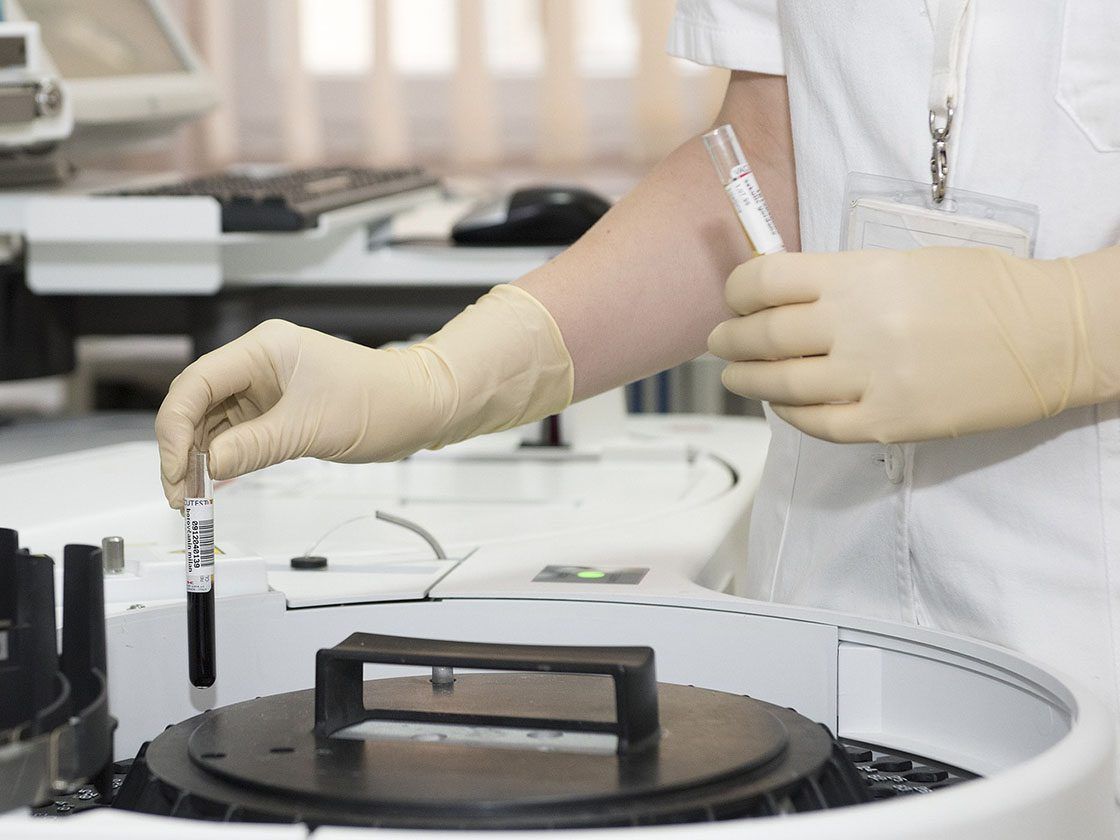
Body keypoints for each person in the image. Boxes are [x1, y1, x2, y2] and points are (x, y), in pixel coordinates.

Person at [157, 0, 1120, 796]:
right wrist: (441, 377)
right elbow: (768, 165)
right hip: (831, 657)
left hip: (1091, 642)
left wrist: (1076, 324)